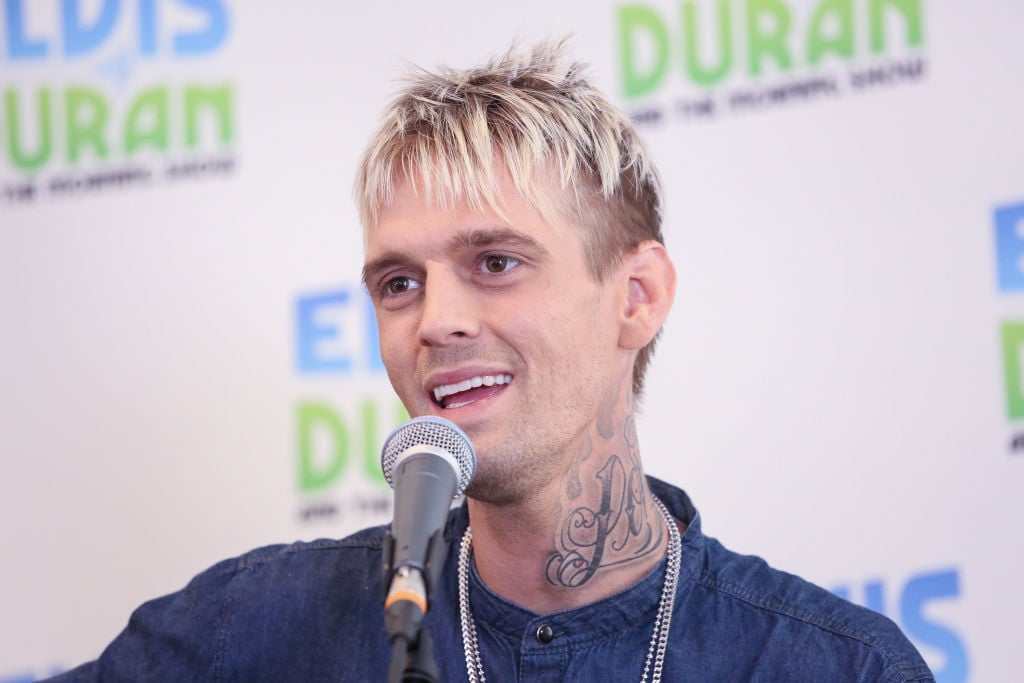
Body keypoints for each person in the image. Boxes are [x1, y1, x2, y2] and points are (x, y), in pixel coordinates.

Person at [50, 40, 934, 682]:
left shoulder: (836, 664)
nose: (436, 320)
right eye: (399, 282)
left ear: (637, 295)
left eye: (496, 263)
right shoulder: (254, 628)